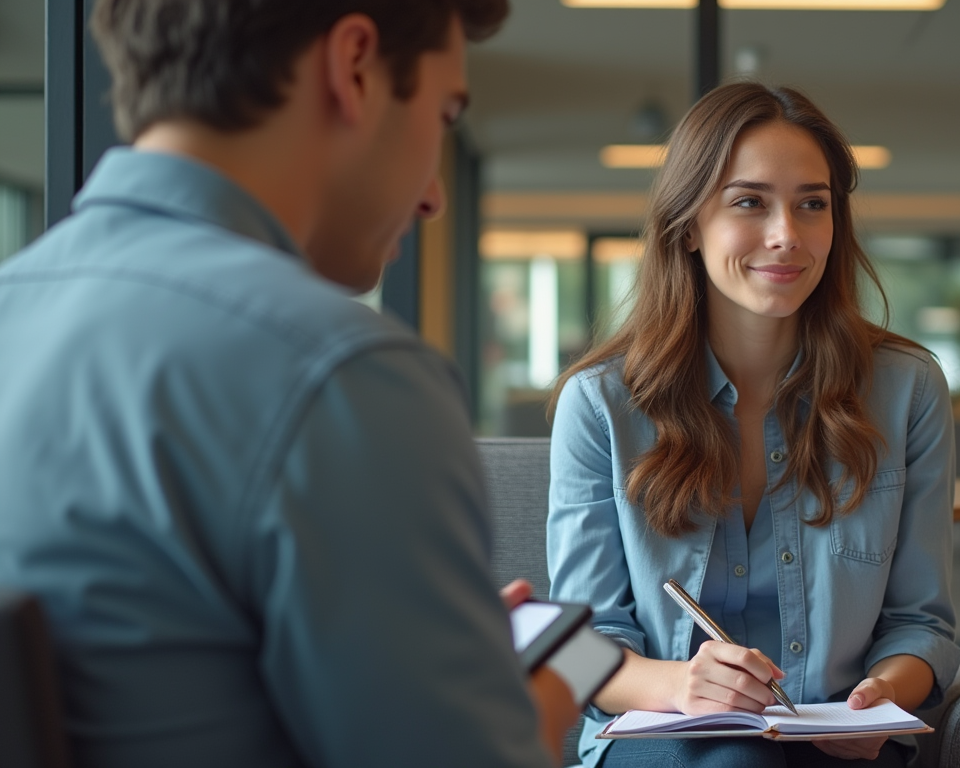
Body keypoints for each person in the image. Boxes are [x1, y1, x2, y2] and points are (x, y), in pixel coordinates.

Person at [0, 1, 578, 766]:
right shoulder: (340, 375)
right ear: (355, 66)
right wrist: (534, 707)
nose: (435, 195)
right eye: (443, 115)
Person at [546, 82, 960, 768]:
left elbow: (921, 624)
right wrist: (680, 685)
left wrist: (881, 695)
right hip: (662, 736)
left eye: (812, 204)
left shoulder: (908, 389)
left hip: (837, 743)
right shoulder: (600, 405)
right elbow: (581, 648)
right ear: (688, 225)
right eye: (749, 202)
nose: (786, 235)